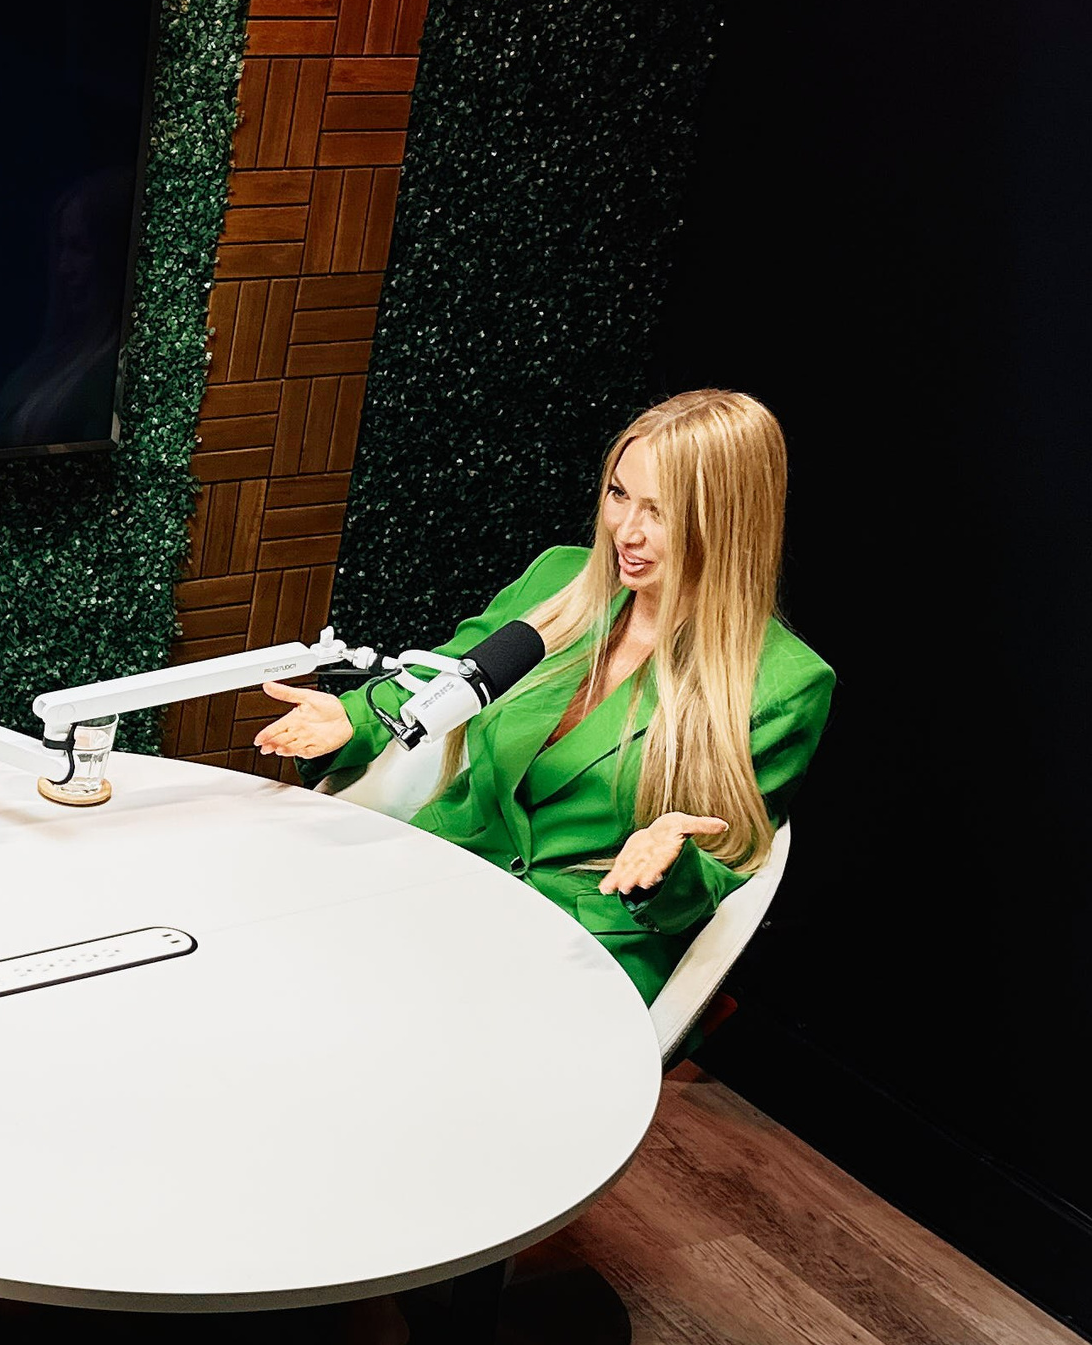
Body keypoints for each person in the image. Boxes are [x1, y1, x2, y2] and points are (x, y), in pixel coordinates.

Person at [254, 388, 833, 1003]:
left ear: (728, 522)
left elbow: (726, 867)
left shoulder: (786, 683)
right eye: (619, 494)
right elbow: (445, 674)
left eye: (660, 513)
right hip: (439, 877)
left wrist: (666, 868)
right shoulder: (558, 576)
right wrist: (351, 720)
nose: (626, 532)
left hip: (580, 952)